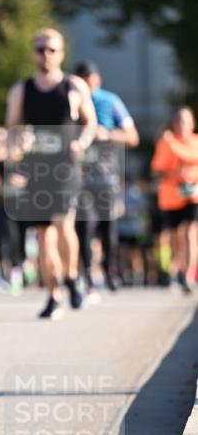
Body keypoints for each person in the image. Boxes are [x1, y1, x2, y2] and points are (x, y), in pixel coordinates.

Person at [5, 28, 97, 319]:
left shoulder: (74, 86)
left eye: (52, 49)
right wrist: (19, 145)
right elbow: (11, 128)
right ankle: (53, 293)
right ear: (33, 53)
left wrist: (81, 142)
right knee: (44, 236)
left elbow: (90, 122)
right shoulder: (22, 90)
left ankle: (71, 276)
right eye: (41, 49)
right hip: (35, 169)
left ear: (61, 53)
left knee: (63, 223)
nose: (46, 54)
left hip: (65, 167)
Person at [73, 60, 139, 298]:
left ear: (97, 81)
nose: (86, 88)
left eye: (89, 82)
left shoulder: (110, 101)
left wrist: (107, 133)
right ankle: (88, 274)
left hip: (107, 177)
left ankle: (110, 270)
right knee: (84, 227)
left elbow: (133, 137)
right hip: (79, 178)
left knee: (109, 228)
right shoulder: (72, 101)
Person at [150, 107, 198, 293]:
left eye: (185, 120)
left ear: (192, 123)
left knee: (190, 233)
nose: (181, 124)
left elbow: (191, 157)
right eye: (178, 120)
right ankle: (176, 269)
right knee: (175, 236)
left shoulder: (195, 142)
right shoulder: (166, 143)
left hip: (193, 194)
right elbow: (156, 170)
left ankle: (189, 274)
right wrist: (174, 172)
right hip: (171, 196)